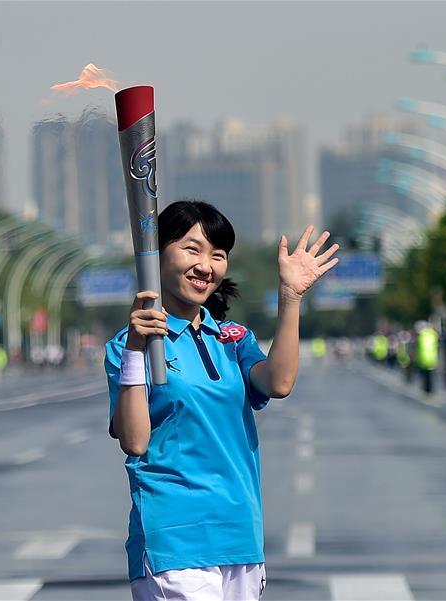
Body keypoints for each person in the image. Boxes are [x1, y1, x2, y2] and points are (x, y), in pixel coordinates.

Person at [103, 200, 339, 601]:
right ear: (155, 255)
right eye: (191, 249)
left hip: (239, 534)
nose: (206, 265)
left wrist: (290, 297)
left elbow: (278, 382)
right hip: (174, 541)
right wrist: (137, 352)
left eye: (218, 254)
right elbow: (134, 441)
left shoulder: (233, 338)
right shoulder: (127, 347)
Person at [414, 321, 438, 394]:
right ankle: (430, 390)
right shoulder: (433, 335)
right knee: (430, 376)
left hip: (423, 359)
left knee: (424, 377)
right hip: (432, 359)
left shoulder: (421, 336)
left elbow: (418, 349)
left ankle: (426, 390)